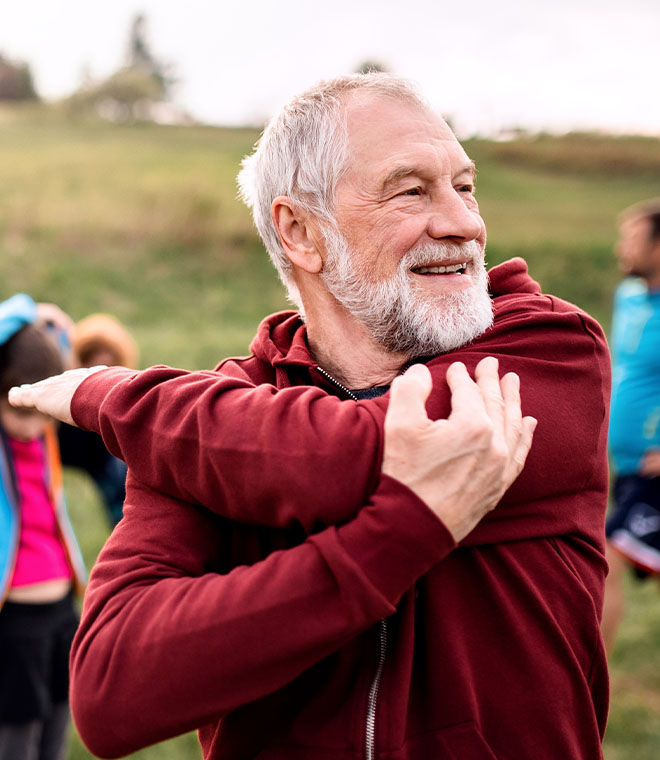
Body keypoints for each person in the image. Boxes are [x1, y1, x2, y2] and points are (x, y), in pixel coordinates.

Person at [10, 73, 611, 759]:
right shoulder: (211, 424)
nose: (465, 223)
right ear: (300, 232)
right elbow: (112, 692)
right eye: (412, 190)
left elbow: (351, 456)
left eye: (465, 186)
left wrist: (117, 397)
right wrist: (401, 532)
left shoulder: (548, 349)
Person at [0, 294, 86, 760]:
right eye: (18, 413)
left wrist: (57, 330)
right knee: (16, 734)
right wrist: (30, 310)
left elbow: (64, 364)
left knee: (59, 718)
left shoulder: (43, 433)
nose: (33, 429)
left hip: (61, 607)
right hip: (14, 619)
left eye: (40, 417)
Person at [601, 199, 660, 653]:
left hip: (654, 469)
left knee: (608, 558)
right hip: (627, 464)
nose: (623, 249)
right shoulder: (630, 296)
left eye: (633, 240)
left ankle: (586, 680)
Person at [57, 314, 138, 526]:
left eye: (109, 369)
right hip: (60, 442)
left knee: (123, 490)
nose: (99, 378)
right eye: (91, 366)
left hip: (96, 452)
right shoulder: (58, 393)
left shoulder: (119, 405)